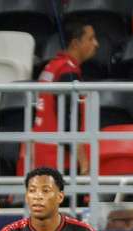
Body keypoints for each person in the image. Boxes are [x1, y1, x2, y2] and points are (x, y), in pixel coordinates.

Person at [30, 21, 99, 175]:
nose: (96, 44)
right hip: (60, 159)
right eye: (91, 39)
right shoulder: (67, 72)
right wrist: (83, 159)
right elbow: (68, 117)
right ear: (75, 43)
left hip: (43, 152)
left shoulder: (52, 67)